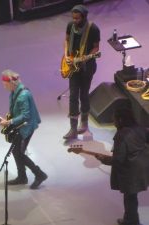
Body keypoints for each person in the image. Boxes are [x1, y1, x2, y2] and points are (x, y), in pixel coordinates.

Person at [96, 107, 149, 225]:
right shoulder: (141, 128)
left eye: (114, 120)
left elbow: (118, 159)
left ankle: (131, 221)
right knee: (131, 196)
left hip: (131, 172)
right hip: (143, 168)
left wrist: (104, 160)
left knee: (130, 197)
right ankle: (131, 219)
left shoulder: (121, 135)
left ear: (120, 120)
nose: (113, 122)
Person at [0, 69, 47, 189]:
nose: (3, 86)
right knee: (17, 151)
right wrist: (9, 119)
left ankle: (39, 174)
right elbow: (17, 110)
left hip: (27, 127)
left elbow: (26, 115)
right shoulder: (14, 92)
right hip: (21, 125)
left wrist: (9, 122)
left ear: (11, 83)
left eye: (4, 83)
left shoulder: (23, 95)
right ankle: (22, 177)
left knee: (19, 152)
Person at [63, 4, 100, 140]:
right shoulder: (70, 26)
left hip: (86, 67)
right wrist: (66, 55)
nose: (75, 21)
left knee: (83, 95)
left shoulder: (93, 29)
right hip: (73, 66)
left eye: (77, 18)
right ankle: (73, 129)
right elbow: (67, 40)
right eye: (73, 18)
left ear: (84, 17)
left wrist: (86, 57)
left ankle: (84, 123)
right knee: (73, 96)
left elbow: (96, 48)